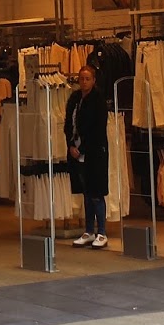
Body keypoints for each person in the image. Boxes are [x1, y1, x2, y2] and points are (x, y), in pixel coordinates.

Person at [65, 66, 111, 248]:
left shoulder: (98, 101)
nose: (84, 82)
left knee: (96, 192)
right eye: (81, 78)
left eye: (87, 79)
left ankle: (102, 232)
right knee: (86, 192)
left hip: (94, 152)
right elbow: (68, 124)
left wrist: (83, 148)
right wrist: (71, 145)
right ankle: (89, 230)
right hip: (76, 151)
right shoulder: (75, 99)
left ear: (93, 80)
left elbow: (97, 129)